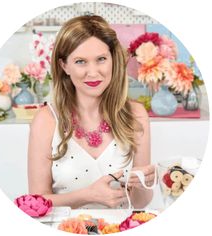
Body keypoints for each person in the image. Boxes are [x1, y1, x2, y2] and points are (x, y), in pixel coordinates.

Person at [28, 15, 155, 209]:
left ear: (113, 59)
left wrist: (145, 184)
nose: (93, 72)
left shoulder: (136, 114)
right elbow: (36, 202)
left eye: (101, 59)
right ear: (64, 66)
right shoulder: (46, 120)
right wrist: (89, 195)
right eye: (80, 61)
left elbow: (140, 202)